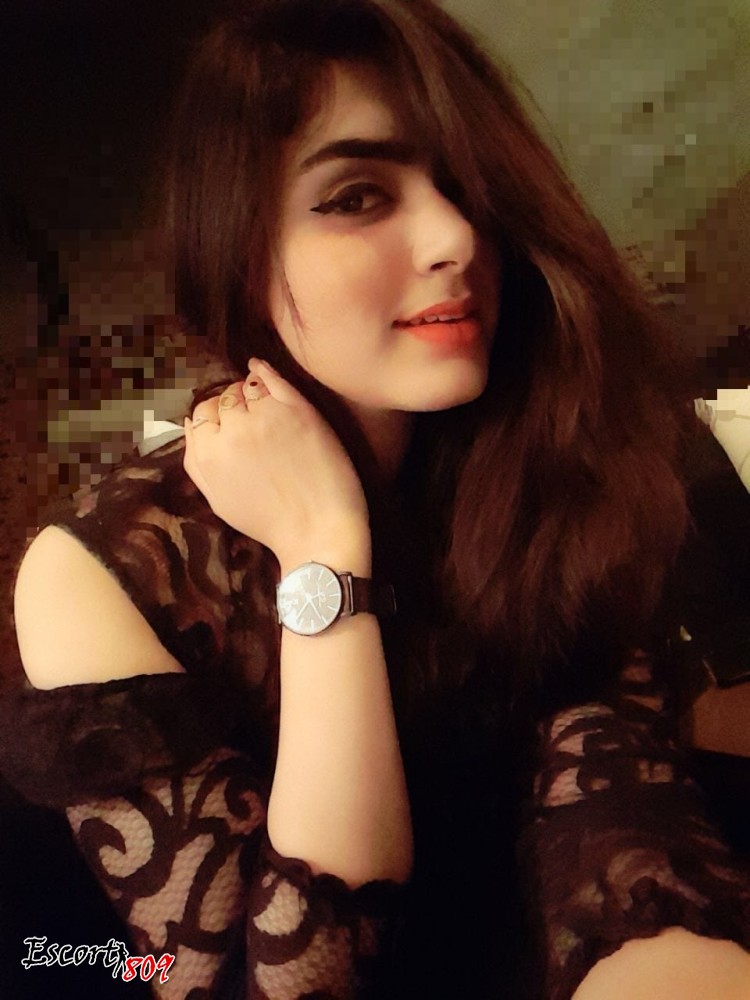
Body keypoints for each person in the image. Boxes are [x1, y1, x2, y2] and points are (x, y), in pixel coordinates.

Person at [2, 1, 749, 997]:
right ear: (239, 257)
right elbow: (289, 979)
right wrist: (323, 557)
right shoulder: (106, 571)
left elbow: (616, 801)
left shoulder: (546, 457)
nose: (456, 235)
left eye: (466, 185)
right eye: (356, 196)